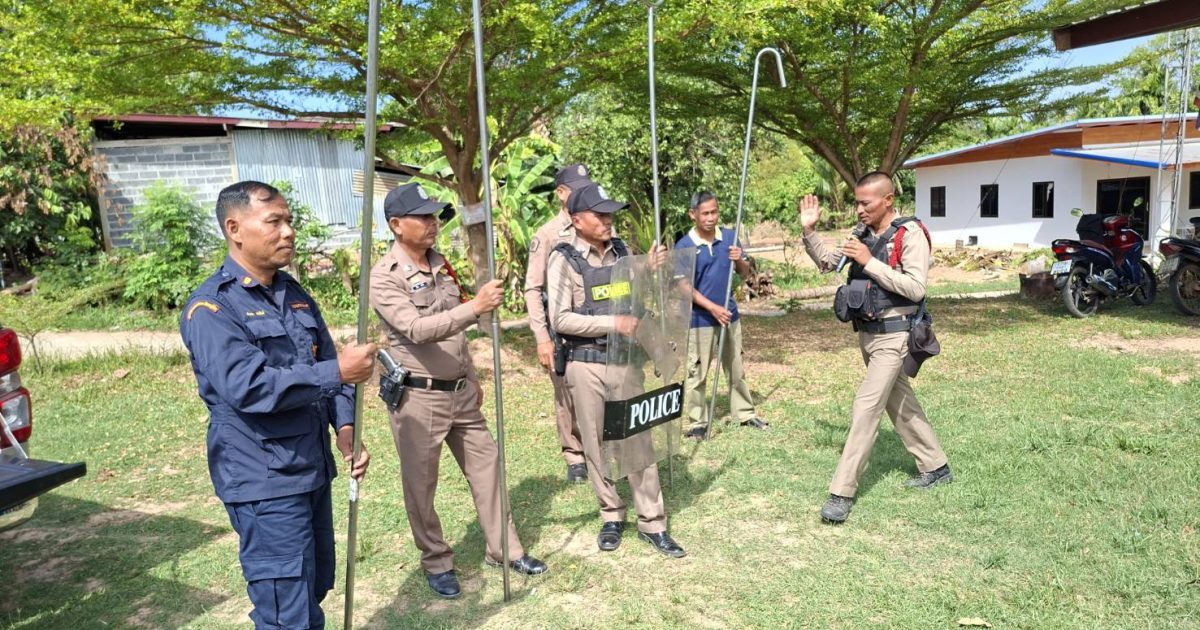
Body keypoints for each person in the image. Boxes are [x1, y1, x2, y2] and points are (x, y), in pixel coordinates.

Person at [180, 180, 374, 629]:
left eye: (289, 221)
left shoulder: (294, 294)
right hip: (264, 480)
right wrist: (337, 373)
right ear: (234, 229)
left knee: (312, 588)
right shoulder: (212, 308)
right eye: (274, 222)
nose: (288, 231)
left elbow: (329, 365)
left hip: (310, 468)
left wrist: (345, 427)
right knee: (286, 610)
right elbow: (248, 387)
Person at [369, 182, 547, 599]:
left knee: (488, 467)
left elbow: (455, 335)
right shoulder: (384, 276)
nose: (433, 223)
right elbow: (416, 329)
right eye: (422, 217)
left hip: (460, 392)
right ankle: (436, 560)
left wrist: (472, 375)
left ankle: (504, 550)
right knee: (421, 484)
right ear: (396, 225)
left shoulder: (440, 263)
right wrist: (476, 307)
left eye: (434, 216)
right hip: (418, 397)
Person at [798, 171, 952, 525]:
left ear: (888, 200)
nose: (859, 210)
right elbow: (829, 263)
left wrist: (869, 261)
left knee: (866, 407)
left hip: (895, 337)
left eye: (865, 203)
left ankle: (841, 493)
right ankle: (936, 466)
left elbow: (916, 288)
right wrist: (809, 231)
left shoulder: (909, 234)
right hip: (868, 334)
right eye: (856, 203)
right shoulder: (861, 233)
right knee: (900, 402)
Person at [546, 181, 686, 558]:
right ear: (577, 219)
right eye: (600, 215)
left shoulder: (622, 251)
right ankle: (611, 513)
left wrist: (648, 269)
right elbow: (559, 318)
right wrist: (613, 324)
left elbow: (634, 296)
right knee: (595, 442)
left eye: (610, 214)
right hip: (585, 364)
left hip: (624, 362)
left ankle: (652, 522)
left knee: (637, 438)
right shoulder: (563, 259)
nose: (608, 221)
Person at [675, 191, 769, 440]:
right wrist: (712, 308)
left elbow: (745, 273)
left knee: (736, 366)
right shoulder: (684, 246)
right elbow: (684, 287)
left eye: (714, 212)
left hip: (729, 314)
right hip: (700, 320)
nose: (710, 218)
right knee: (697, 372)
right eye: (705, 213)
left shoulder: (728, 237)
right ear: (693, 214)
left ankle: (745, 413)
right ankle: (697, 422)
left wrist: (739, 260)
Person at [523, 163, 593, 482]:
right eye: (578, 189)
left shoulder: (598, 223)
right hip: (563, 329)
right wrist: (542, 337)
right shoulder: (548, 234)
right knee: (566, 394)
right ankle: (574, 455)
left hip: (597, 322)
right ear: (561, 193)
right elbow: (533, 288)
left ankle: (602, 449)